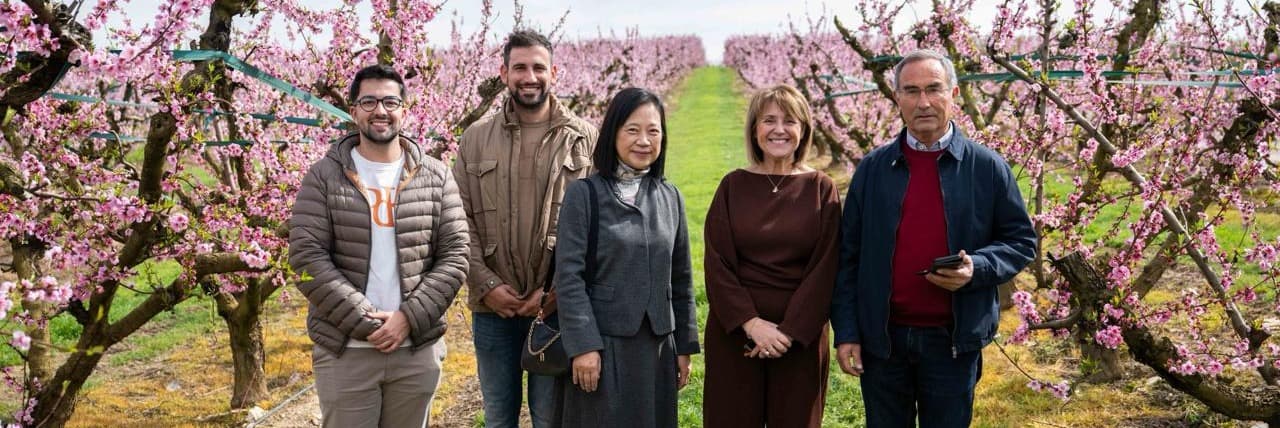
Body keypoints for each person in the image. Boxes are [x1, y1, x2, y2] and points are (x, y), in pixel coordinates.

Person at [830, 49, 1038, 427]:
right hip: (884, 340)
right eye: (911, 91)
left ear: (953, 95)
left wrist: (977, 267)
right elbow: (849, 257)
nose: (923, 102)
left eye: (933, 89)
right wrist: (847, 332)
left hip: (952, 342)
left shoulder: (987, 168)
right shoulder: (873, 170)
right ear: (897, 99)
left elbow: (1021, 242)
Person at [288, 64, 469, 427]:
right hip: (347, 349)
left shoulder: (436, 175)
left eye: (390, 101)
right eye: (368, 101)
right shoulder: (323, 176)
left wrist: (407, 318)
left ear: (405, 109)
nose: (380, 111)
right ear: (353, 110)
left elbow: (456, 254)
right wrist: (365, 321)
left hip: (415, 347)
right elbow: (307, 258)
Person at [453, 29, 598, 428]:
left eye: (538, 67)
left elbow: (598, 226)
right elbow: (458, 219)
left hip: (554, 310)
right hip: (491, 309)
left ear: (555, 72)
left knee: (550, 418)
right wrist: (486, 286)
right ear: (503, 73)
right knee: (499, 418)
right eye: (519, 67)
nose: (529, 76)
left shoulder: (584, 139)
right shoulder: (476, 139)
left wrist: (555, 292)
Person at [553, 87, 699, 428]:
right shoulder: (584, 195)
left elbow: (681, 277)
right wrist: (583, 346)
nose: (644, 141)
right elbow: (569, 278)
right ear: (613, 133)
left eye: (653, 131)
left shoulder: (669, 196)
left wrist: (684, 347)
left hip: (657, 345)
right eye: (632, 130)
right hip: (604, 345)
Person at [702, 84, 841, 428]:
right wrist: (751, 324)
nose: (779, 129)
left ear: (804, 130)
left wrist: (788, 332)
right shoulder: (732, 186)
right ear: (754, 129)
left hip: (799, 338)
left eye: (790, 121)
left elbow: (827, 266)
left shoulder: (821, 189)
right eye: (769, 120)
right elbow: (717, 263)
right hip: (734, 333)